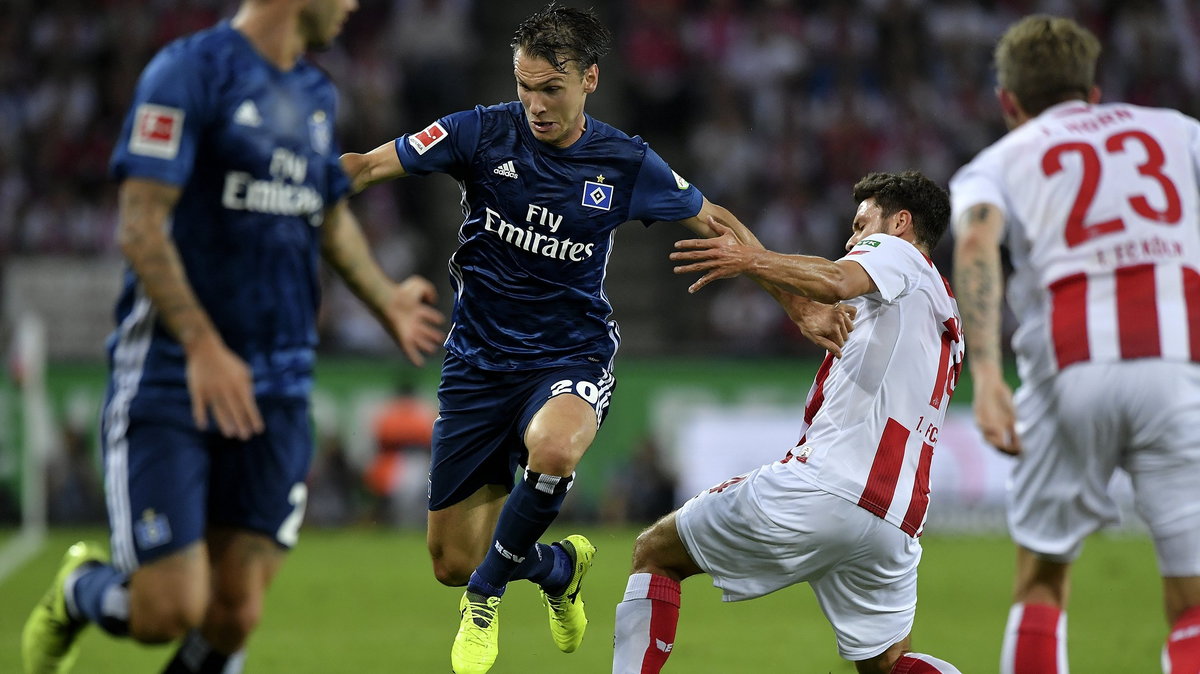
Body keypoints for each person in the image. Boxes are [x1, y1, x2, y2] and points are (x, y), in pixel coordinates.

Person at [339, 4, 853, 673]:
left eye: (550, 89)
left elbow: (716, 221)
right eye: (524, 87)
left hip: (569, 354)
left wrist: (795, 305)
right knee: (449, 561)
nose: (534, 105)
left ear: (590, 80)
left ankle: (486, 598)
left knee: (552, 452)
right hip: (477, 364)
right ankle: (555, 568)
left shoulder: (624, 162)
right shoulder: (478, 134)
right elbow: (369, 166)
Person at [21, 1, 446, 673]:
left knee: (234, 615)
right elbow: (139, 224)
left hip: (278, 384)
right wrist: (201, 345)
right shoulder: (188, 73)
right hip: (171, 375)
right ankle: (81, 590)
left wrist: (385, 296)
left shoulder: (315, 92)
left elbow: (326, 211)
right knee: (167, 611)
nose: (353, 6)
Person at [612, 171, 964, 674]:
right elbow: (826, 296)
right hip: (895, 518)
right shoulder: (939, 305)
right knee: (889, 664)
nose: (853, 238)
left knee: (656, 552)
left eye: (862, 224)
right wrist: (795, 302)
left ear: (901, 222)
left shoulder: (900, 254)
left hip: (828, 487)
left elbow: (837, 279)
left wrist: (746, 259)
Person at [950, 15, 1200, 674]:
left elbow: (975, 245)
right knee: (1193, 604)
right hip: (1177, 367)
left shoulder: (997, 161)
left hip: (1067, 375)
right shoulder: (1178, 131)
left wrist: (988, 375)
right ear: (1092, 91)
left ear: (1010, 103)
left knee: (1041, 581)